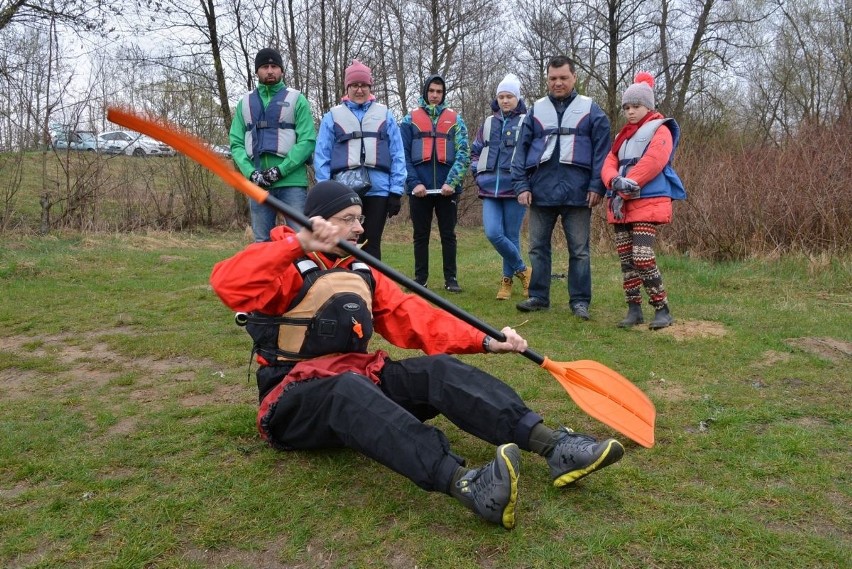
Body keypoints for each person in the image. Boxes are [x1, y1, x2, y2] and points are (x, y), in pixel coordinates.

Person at [209, 180, 625, 530]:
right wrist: (296, 245)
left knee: (436, 371)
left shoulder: (362, 271)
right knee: (346, 389)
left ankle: (553, 447)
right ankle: (467, 484)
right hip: (293, 403)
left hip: (356, 379)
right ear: (318, 222)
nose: (359, 226)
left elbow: (417, 318)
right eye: (348, 219)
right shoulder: (284, 262)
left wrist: (485, 339)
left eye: (359, 218)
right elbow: (227, 283)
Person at [511, 56, 611, 319]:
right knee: (537, 247)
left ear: (574, 77)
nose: (558, 83)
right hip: (540, 191)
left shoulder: (592, 110)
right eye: (553, 78)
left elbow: (603, 153)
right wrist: (521, 185)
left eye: (563, 78)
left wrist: (597, 185)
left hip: (579, 193)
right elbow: (520, 152)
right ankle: (538, 296)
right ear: (547, 79)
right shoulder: (535, 110)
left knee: (579, 250)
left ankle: (579, 301)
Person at [601, 72, 686, 330]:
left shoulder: (661, 130)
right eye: (626, 107)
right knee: (626, 260)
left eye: (635, 106)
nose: (630, 112)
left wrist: (626, 185)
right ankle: (634, 309)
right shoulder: (623, 136)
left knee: (642, 256)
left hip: (646, 201)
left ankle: (662, 308)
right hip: (621, 204)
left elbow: (654, 161)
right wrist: (613, 181)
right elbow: (609, 161)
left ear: (648, 106)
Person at [313, 59, 406, 260]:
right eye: (354, 85)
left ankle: (372, 288)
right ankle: (340, 286)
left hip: (379, 190)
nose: (359, 90)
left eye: (364, 85)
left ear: (370, 87)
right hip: (343, 191)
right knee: (342, 243)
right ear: (347, 87)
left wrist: (396, 190)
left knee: (371, 243)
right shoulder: (332, 117)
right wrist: (324, 189)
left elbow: (398, 153)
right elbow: (322, 155)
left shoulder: (385, 115)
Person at [230, 48, 317, 242]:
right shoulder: (244, 103)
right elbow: (235, 143)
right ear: (257, 71)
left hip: (292, 182)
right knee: (262, 242)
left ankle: (303, 273)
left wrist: (281, 170)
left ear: (282, 70)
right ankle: (267, 274)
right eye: (264, 67)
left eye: (274, 66)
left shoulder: (297, 99)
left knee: (301, 240)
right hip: (257, 183)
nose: (270, 71)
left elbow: (308, 140)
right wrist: (250, 173)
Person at [400, 75, 470, 292]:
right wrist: (414, 183)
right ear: (425, 92)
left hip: (446, 191)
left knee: (448, 235)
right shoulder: (408, 120)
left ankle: (451, 279)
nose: (435, 95)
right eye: (431, 91)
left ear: (443, 94)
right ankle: (420, 279)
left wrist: (452, 182)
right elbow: (401, 155)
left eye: (439, 92)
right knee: (420, 235)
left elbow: (463, 153)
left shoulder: (455, 120)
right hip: (419, 189)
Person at [470, 73, 532, 300]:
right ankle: (523, 270)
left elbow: (533, 154)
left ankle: (506, 282)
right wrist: (476, 172)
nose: (505, 101)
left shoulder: (527, 121)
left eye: (509, 96)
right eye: (501, 96)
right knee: (493, 232)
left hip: (515, 187)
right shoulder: (488, 122)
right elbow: (476, 150)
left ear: (517, 98)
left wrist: (527, 182)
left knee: (511, 235)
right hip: (489, 188)